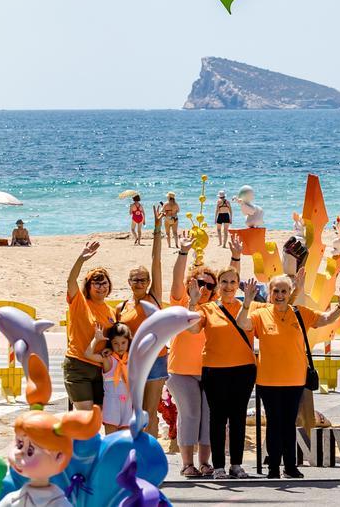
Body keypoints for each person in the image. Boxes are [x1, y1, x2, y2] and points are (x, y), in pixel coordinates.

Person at [237, 273, 340, 478]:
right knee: (273, 423)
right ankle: (273, 468)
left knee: (289, 423)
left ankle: (290, 467)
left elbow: (325, 319)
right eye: (276, 291)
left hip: (295, 380)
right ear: (270, 294)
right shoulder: (261, 313)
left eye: (284, 291)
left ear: (290, 293)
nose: (280, 295)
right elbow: (242, 323)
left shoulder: (300, 313)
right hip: (268, 381)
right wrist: (246, 303)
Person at [0, 356, 101, 507]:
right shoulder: (14, 499)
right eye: (19, 444)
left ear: (59, 456)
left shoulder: (58, 503)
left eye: (30, 450)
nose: (19, 452)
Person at [169, 234, 241, 479]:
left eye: (210, 285)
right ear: (192, 282)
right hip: (181, 370)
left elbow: (231, 281)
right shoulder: (181, 301)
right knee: (190, 414)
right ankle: (187, 463)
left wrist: (236, 256)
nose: (206, 289)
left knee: (209, 417)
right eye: (201, 283)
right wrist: (183, 252)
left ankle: (205, 462)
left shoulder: (214, 306)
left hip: (210, 370)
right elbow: (177, 278)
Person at [185, 266, 254, 479]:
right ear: (218, 285)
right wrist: (193, 302)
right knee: (217, 419)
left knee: (238, 419)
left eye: (233, 282)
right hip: (215, 371)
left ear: (238, 284)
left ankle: (236, 465)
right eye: (224, 282)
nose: (228, 286)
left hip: (243, 370)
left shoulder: (249, 307)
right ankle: (219, 467)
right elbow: (192, 328)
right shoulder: (207, 309)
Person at [112, 205, 167, 437]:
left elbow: (157, 261)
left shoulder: (153, 297)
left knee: (151, 411)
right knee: (135, 411)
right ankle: (135, 452)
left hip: (155, 360)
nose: (139, 283)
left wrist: (156, 227)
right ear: (128, 282)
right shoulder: (121, 308)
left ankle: (150, 457)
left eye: (143, 279)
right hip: (131, 363)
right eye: (135, 280)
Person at [62, 242, 115, 411]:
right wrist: (81, 259)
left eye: (104, 283)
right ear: (89, 286)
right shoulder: (79, 302)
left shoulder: (111, 311)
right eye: (97, 283)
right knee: (85, 417)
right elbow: (71, 280)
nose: (101, 287)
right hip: (78, 366)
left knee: (99, 416)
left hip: (101, 368)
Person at [84, 322, 133, 435]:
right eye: (116, 343)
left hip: (127, 404)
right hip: (112, 405)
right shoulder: (108, 359)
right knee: (111, 440)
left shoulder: (132, 359)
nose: (120, 347)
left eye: (123, 342)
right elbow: (87, 354)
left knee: (125, 441)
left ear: (128, 342)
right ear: (111, 344)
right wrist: (96, 339)